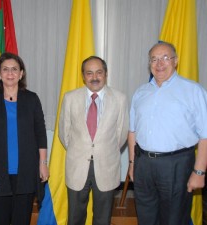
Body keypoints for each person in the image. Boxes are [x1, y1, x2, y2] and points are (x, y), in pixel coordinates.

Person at [128, 42, 207, 225]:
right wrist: (132, 164)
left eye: (165, 58)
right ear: (149, 64)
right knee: (146, 216)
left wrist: (199, 171)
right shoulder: (140, 93)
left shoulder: (193, 91)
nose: (159, 63)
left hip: (176, 166)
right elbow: (132, 132)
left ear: (176, 61)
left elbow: (205, 135)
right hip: (144, 164)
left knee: (174, 219)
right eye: (154, 59)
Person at [0, 52, 49, 225]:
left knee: (21, 221)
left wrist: (43, 163)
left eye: (14, 69)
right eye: (5, 69)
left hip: (26, 172)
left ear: (21, 73)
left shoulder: (32, 99)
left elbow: (40, 133)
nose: (10, 73)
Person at [58, 56, 129, 225]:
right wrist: (81, 149)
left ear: (106, 74)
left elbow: (122, 133)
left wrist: (103, 149)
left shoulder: (120, 99)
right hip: (77, 166)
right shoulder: (70, 98)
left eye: (99, 72)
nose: (94, 77)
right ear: (83, 76)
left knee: (102, 218)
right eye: (89, 73)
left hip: (107, 165)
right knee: (75, 217)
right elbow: (64, 133)